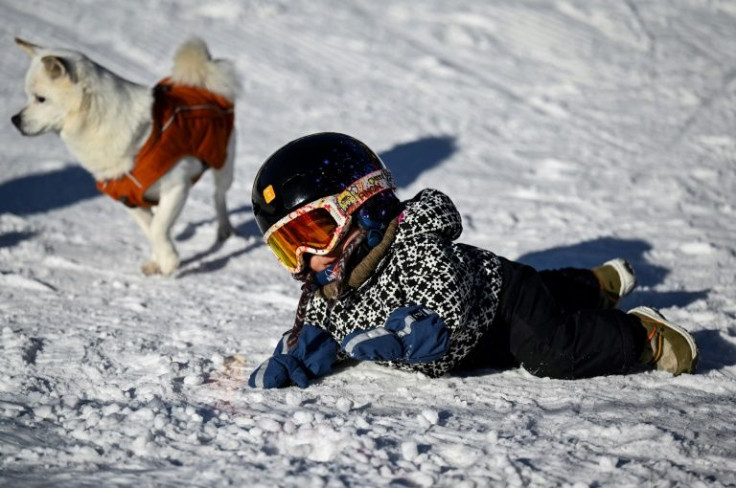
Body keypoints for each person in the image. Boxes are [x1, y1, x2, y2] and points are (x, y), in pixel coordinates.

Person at [247, 132, 698, 389]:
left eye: (312, 233)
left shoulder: (415, 243)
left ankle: (641, 334)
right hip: (478, 345)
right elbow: (323, 326)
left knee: (550, 350)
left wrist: (410, 335)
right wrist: (302, 353)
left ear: (363, 207)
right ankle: (594, 285)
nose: (306, 259)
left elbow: (445, 301)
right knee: (553, 292)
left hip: (500, 300)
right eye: (289, 246)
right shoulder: (329, 286)